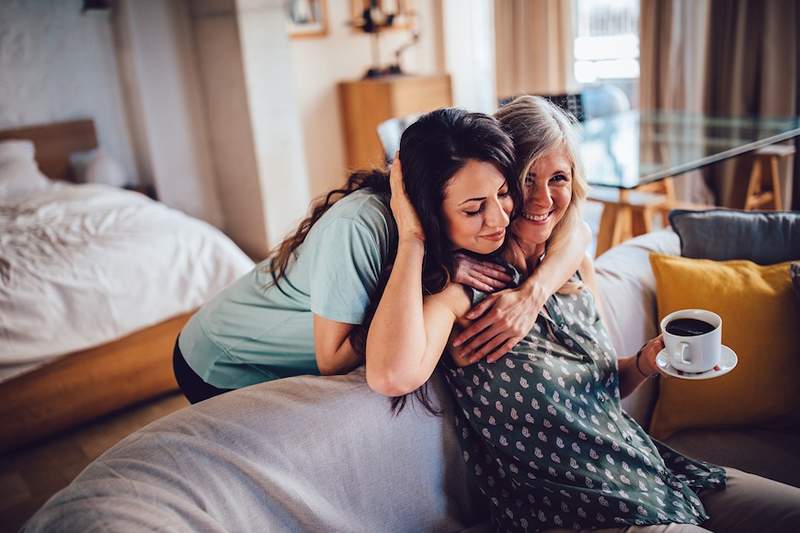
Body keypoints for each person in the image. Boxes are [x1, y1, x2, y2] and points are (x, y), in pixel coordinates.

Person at [366, 96, 800, 532]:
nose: (541, 198)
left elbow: (605, 386)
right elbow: (392, 374)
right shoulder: (466, 289)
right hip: (580, 511)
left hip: (653, 472)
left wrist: (645, 362)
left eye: (558, 177)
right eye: (524, 179)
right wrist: (413, 237)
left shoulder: (573, 266)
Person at [173, 108, 589, 404]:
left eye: (503, 194)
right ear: (426, 203)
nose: (499, 219)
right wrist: (423, 255)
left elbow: (577, 232)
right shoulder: (359, 227)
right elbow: (333, 359)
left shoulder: (475, 211)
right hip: (224, 357)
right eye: (473, 208)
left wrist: (533, 293)